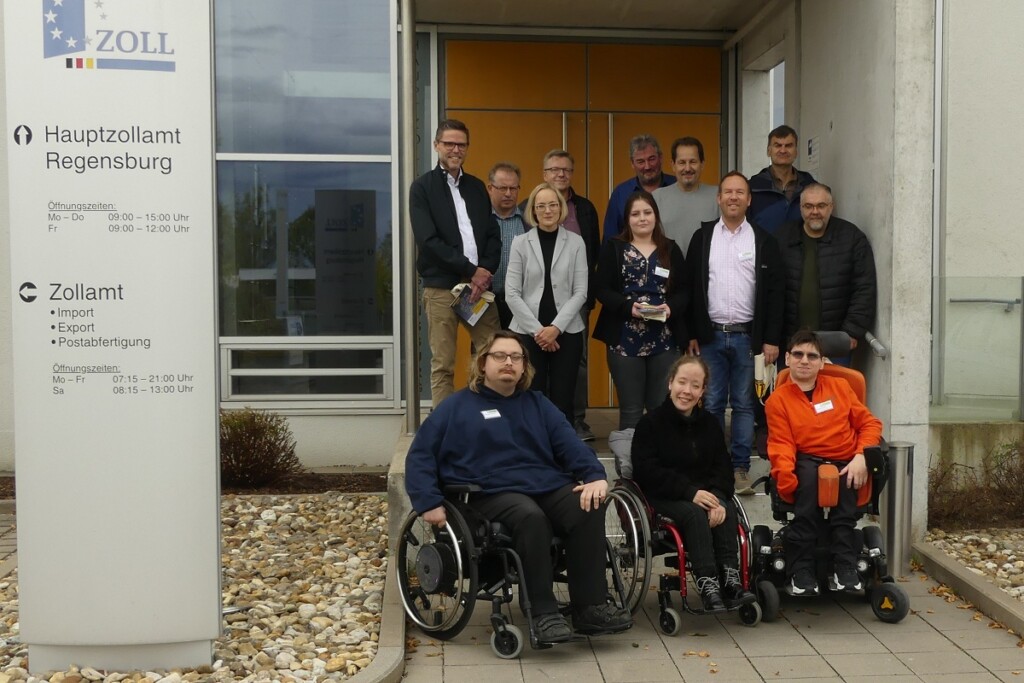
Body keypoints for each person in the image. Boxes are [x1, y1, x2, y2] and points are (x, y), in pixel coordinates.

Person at [404, 331, 633, 642]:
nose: (508, 362)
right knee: (530, 516)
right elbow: (420, 455)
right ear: (483, 363)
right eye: (500, 356)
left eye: (516, 357)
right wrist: (427, 500)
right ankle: (543, 613)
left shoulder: (538, 404)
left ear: (525, 366)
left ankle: (590, 608)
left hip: (544, 486)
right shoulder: (456, 407)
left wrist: (594, 476)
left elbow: (571, 445)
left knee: (587, 506)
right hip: (486, 494)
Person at [683, 172, 784, 495]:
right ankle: (711, 468)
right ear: (719, 198)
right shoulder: (702, 239)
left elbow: (775, 295)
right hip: (710, 336)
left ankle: (740, 469)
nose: (733, 197)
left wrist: (770, 339)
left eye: (740, 192)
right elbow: (691, 290)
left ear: (749, 199)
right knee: (710, 403)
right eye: (728, 192)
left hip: (747, 339)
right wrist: (691, 333)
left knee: (743, 404)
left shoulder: (763, 241)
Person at [632, 355, 757, 611]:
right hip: (665, 495)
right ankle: (707, 581)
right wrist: (690, 492)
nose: (687, 391)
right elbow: (646, 471)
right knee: (694, 514)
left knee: (726, 509)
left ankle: (730, 579)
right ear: (670, 383)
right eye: (682, 382)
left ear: (703, 390)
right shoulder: (650, 423)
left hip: (704, 492)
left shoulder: (710, 424)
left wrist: (718, 496)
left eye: (695, 385)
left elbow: (722, 467)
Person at [765, 330, 883, 596]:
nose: (804, 360)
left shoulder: (841, 387)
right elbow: (781, 445)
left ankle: (846, 567)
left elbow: (870, 424)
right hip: (805, 460)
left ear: (821, 361)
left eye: (812, 356)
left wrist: (861, 456)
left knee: (845, 506)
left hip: (845, 458)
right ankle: (801, 571)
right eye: (798, 354)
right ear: (787, 358)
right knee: (806, 502)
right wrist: (785, 478)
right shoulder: (778, 401)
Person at [410, 119, 501, 406]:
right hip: (441, 288)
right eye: (449, 143)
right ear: (437, 145)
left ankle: (488, 416)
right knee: (443, 365)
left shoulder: (476, 187)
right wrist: (471, 271)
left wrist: (484, 272)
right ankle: (444, 431)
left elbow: (491, 234)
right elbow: (428, 241)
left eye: (461, 144)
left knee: (495, 356)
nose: (455, 149)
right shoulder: (422, 188)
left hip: (477, 290)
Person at [594, 191, 687, 430]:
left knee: (660, 407)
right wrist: (627, 307)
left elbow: (685, 292)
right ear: (627, 219)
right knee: (631, 410)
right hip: (624, 339)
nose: (642, 218)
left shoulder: (671, 249)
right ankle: (629, 466)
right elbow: (600, 289)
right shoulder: (614, 248)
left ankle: (657, 464)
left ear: (656, 216)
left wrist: (671, 307)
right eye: (635, 214)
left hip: (664, 341)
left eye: (647, 212)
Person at [505, 183, 589, 427]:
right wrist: (539, 331)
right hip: (528, 333)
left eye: (553, 204)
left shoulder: (576, 243)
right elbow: (512, 293)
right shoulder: (520, 242)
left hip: (567, 332)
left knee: (564, 399)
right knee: (531, 395)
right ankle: (534, 451)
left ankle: (563, 453)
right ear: (533, 210)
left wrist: (555, 328)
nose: (547, 210)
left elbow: (581, 291)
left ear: (561, 207)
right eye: (541, 206)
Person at [776, 183, 877, 362]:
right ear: (800, 208)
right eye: (808, 206)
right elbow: (771, 290)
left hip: (835, 343)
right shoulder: (782, 238)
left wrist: (851, 332)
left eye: (821, 206)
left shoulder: (852, 238)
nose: (815, 211)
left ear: (831, 207)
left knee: (833, 390)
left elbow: (864, 288)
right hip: (792, 344)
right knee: (793, 390)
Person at [540, 150, 601, 441]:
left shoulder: (585, 208)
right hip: (538, 302)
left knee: (577, 361)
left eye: (566, 169)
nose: (560, 174)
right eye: (554, 169)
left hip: (576, 300)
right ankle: (542, 418)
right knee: (540, 360)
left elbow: (594, 254)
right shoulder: (531, 206)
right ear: (544, 174)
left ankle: (576, 420)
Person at [652, 137, 719, 256]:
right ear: (673, 165)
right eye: (682, 162)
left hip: (705, 271)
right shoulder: (657, 198)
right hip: (668, 271)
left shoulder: (718, 196)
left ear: (702, 164)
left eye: (693, 162)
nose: (687, 168)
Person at [602, 134, 675, 243]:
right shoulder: (620, 194)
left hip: (674, 257)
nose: (647, 166)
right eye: (640, 161)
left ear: (660, 158)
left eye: (651, 159)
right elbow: (610, 240)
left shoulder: (676, 186)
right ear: (632, 163)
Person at [748, 125, 817, 235]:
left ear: (796, 151)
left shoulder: (811, 187)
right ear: (768, 151)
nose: (783, 150)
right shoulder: (752, 188)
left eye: (788, 146)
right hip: (765, 251)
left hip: (800, 251)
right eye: (778, 145)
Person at [486, 161, 527, 329]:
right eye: (503, 188)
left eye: (514, 188)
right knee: (485, 350)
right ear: (490, 188)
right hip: (486, 299)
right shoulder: (478, 220)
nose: (508, 193)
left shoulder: (529, 221)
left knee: (519, 352)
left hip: (520, 302)